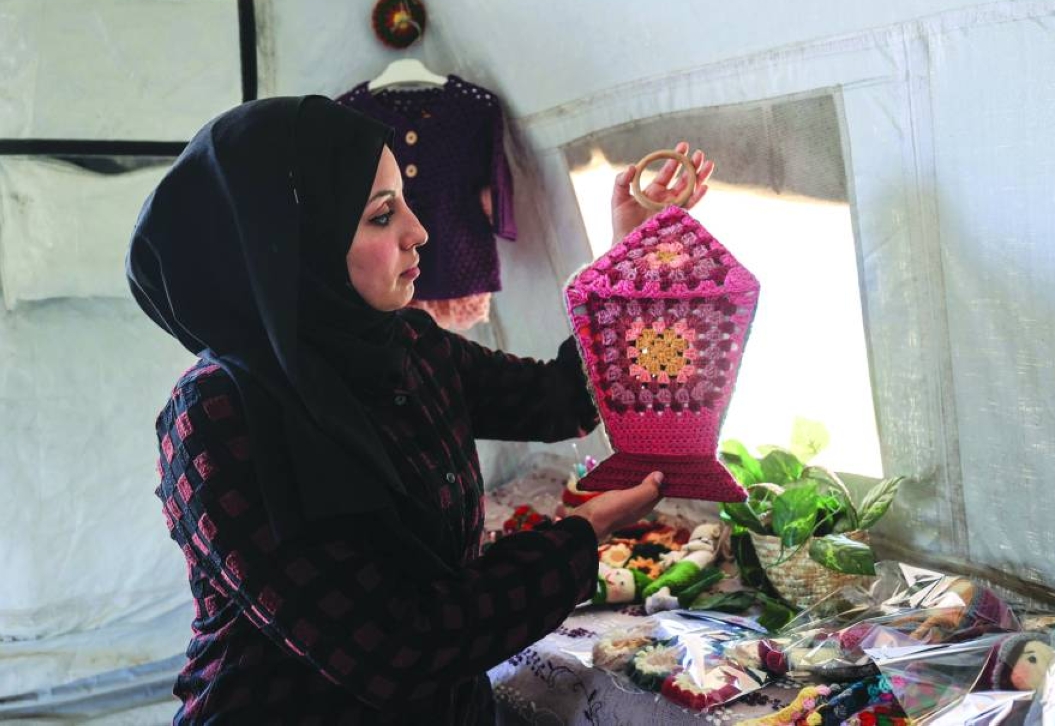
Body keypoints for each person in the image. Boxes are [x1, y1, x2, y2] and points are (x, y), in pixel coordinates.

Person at [126, 95, 713, 724]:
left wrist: (635, 252)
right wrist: (581, 533)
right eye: (382, 216)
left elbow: (563, 399)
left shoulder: (405, 346)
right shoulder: (217, 417)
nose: (419, 231)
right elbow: (394, 648)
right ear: (293, 245)